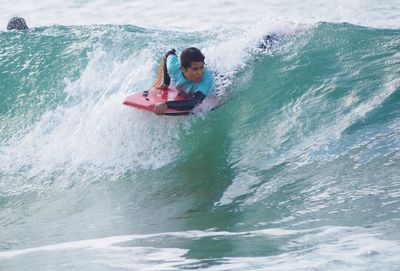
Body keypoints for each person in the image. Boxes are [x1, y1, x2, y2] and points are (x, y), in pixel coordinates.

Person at [153, 47, 214, 115]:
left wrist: (166, 104)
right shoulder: (173, 67)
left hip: (211, 89)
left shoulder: (206, 78)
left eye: (202, 67)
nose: (200, 73)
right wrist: (166, 83)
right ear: (183, 69)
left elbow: (194, 103)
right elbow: (169, 54)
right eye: (195, 69)